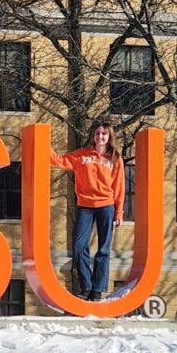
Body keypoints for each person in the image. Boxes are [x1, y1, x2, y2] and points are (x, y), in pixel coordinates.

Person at [50, 122, 125, 302]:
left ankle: (97, 290)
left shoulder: (115, 158)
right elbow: (59, 160)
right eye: (98, 133)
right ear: (93, 136)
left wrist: (119, 211)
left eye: (104, 134)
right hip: (85, 206)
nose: (100, 137)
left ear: (109, 137)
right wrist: (44, 143)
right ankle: (87, 285)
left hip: (106, 206)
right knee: (78, 246)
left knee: (103, 249)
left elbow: (119, 186)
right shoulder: (82, 155)